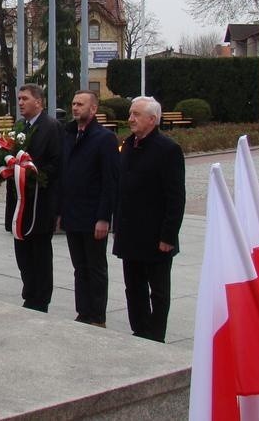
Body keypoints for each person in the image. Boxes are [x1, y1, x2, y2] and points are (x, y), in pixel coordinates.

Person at [113, 96, 185, 343]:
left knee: (159, 291)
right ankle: (139, 330)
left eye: (136, 114)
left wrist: (168, 235)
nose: (130, 119)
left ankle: (156, 336)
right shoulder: (128, 145)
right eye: (131, 113)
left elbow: (176, 198)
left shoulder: (168, 149)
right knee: (133, 288)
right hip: (130, 233)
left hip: (156, 236)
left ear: (152, 120)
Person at [59, 90, 119, 327]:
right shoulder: (69, 134)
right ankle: (83, 312)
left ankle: (97, 316)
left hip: (93, 216)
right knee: (79, 267)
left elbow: (110, 181)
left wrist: (104, 218)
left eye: (80, 104)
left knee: (95, 268)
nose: (75, 108)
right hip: (73, 214)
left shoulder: (104, 138)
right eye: (73, 103)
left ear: (93, 109)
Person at [4, 84, 64, 312]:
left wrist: (31, 172)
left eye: (25, 99)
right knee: (22, 252)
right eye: (19, 98)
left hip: (41, 201)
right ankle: (29, 293)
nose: (20, 103)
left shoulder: (51, 127)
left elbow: (57, 164)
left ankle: (41, 298)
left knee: (39, 253)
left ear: (38, 102)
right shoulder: (20, 126)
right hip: (21, 202)